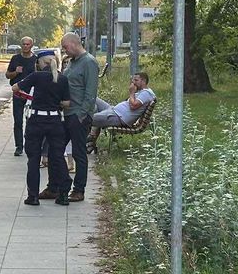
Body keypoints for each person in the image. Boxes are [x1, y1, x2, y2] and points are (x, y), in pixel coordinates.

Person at [44, 31, 97, 203]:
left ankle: (79, 190)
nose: (64, 50)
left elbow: (90, 93)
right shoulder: (72, 62)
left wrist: (81, 115)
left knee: (78, 153)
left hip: (79, 115)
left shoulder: (89, 62)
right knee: (55, 150)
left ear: (74, 44)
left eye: (65, 47)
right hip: (66, 114)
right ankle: (54, 187)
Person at [13, 53, 71, 206]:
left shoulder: (36, 76)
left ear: (40, 63)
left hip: (36, 121)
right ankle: (64, 194)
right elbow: (66, 103)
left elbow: (15, 87)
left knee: (33, 159)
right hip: (54, 121)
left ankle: (33, 196)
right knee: (58, 157)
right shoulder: (63, 79)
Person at [89, 73, 156, 145]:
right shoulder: (140, 91)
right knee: (92, 98)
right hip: (113, 110)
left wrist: (132, 92)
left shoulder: (146, 93)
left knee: (87, 118)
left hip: (118, 117)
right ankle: (92, 136)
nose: (133, 82)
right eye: (133, 80)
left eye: (136, 80)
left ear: (143, 81)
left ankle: (89, 136)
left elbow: (133, 106)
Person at [5, 37, 38, 157]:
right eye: (23, 44)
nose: (25, 46)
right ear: (21, 45)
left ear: (31, 45)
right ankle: (19, 146)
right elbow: (7, 75)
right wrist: (15, 72)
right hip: (18, 94)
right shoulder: (15, 59)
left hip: (31, 95)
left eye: (28, 44)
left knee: (31, 121)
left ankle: (29, 144)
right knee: (18, 121)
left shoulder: (35, 59)